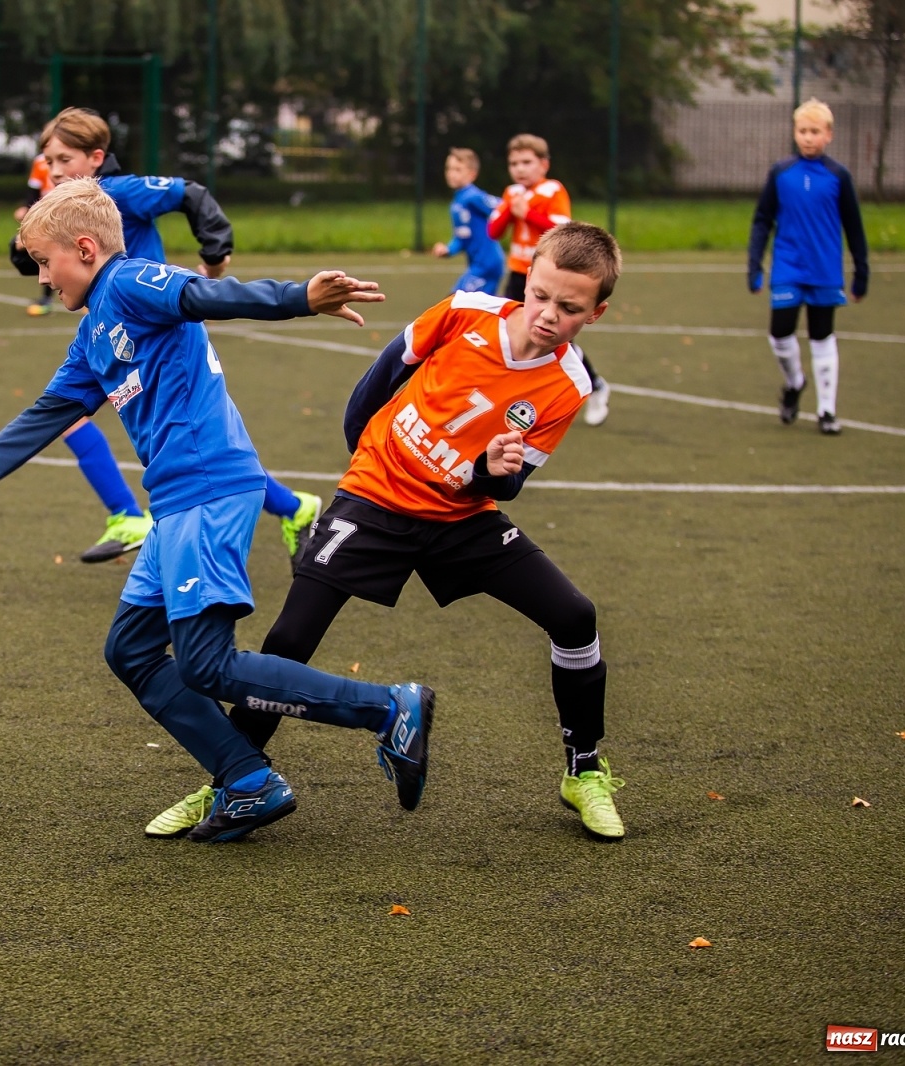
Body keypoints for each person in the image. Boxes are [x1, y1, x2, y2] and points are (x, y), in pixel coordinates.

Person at [0, 179, 434, 843]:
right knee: (132, 650)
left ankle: (389, 708)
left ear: (84, 248)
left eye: (45, 263)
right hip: (176, 503)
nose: (42, 278)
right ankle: (248, 780)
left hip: (210, 488)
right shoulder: (92, 335)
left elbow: (203, 294)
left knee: (206, 664)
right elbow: (49, 412)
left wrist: (297, 298)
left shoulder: (132, 281)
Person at [149, 222, 629, 842]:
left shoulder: (568, 386)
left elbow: (502, 488)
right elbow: (379, 380)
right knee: (291, 636)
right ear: (528, 277)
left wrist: (490, 469)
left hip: (460, 516)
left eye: (568, 308)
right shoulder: (465, 312)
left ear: (596, 314)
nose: (547, 314)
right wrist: (362, 467)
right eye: (539, 295)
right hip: (375, 495)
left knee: (575, 616)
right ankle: (234, 775)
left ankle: (583, 770)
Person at [10, 107, 321, 563]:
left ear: (96, 158)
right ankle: (286, 509)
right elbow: (30, 259)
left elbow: (191, 195)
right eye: (49, 162)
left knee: (184, 441)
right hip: (115, 330)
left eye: (64, 159)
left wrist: (214, 256)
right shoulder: (69, 207)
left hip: (156, 330)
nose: (54, 171)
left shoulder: (118, 191)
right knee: (97, 422)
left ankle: (139, 515)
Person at [748, 98, 869, 435]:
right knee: (779, 334)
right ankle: (795, 382)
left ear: (828, 134)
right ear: (795, 133)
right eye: (802, 131)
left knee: (821, 336)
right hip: (788, 267)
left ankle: (827, 411)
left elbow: (854, 226)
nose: (808, 137)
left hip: (825, 270)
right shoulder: (781, 173)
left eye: (815, 131)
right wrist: (754, 264)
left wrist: (862, 272)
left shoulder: (838, 176)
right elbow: (762, 220)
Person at [487, 133, 613, 427]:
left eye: (527, 162)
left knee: (556, 339)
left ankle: (594, 386)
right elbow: (493, 231)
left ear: (543, 164)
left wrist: (527, 213)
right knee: (512, 330)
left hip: (550, 280)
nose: (520, 169)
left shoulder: (552, 190)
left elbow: (561, 228)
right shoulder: (511, 193)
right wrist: (511, 208)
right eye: (514, 163)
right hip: (520, 273)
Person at [430, 147, 504, 296]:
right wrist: (448, 249)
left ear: (472, 174)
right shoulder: (457, 202)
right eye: (449, 169)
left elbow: (503, 206)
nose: (451, 173)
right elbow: (462, 238)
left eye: (458, 169)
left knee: (455, 303)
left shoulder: (473, 196)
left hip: (487, 263)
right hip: (477, 264)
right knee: (476, 312)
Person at [14, 153, 56, 316]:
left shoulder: (78, 157)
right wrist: (27, 208)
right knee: (49, 254)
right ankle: (46, 299)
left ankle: (89, 298)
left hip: (69, 212)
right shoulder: (39, 161)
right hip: (47, 214)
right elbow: (33, 190)